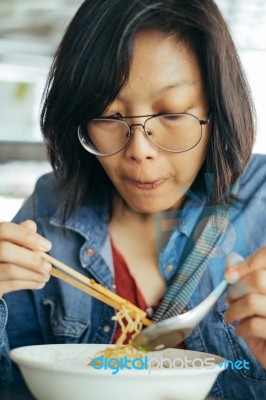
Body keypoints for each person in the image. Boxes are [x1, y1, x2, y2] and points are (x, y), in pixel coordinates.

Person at [0, 0, 266, 397]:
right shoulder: (47, 214)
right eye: (108, 116)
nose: (139, 149)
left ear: (219, 109)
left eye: (173, 113)